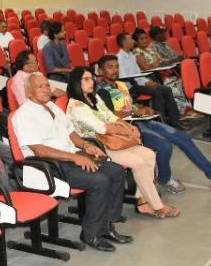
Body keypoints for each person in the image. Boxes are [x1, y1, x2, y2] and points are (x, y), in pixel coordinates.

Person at [13, 73, 130, 252]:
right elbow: (39, 150)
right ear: (28, 92)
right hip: (48, 167)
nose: (46, 89)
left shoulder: (52, 106)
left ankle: (106, 226)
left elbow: (71, 133)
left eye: (46, 85)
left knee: (115, 171)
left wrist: (86, 146)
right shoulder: (24, 115)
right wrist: (76, 157)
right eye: (40, 87)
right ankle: (91, 234)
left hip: (70, 157)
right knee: (99, 181)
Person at [96, 55, 211, 191]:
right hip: (127, 129)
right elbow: (110, 114)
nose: (114, 70)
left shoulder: (120, 85)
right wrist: (134, 113)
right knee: (164, 145)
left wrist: (142, 109)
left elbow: (129, 105)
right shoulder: (101, 90)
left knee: (183, 137)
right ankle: (164, 179)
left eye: (116, 66)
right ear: (101, 71)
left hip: (141, 121)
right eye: (110, 67)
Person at [66, 67, 180, 219]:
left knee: (149, 155)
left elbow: (110, 117)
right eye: (86, 79)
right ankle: (158, 205)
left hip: (112, 141)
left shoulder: (93, 98)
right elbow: (102, 127)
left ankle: (143, 202)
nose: (91, 82)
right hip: (96, 147)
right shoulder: (76, 106)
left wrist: (128, 126)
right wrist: (127, 132)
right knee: (138, 162)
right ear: (75, 83)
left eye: (91, 78)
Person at [116, 32, 188, 130]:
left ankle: (175, 120)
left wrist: (146, 81)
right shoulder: (119, 58)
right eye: (130, 39)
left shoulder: (131, 56)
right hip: (130, 87)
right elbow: (124, 78)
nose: (133, 41)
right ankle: (161, 124)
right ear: (124, 42)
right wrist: (145, 82)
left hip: (139, 83)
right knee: (157, 92)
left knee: (166, 89)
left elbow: (138, 74)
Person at [131, 28, 191, 118]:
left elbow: (161, 62)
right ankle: (178, 112)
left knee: (181, 82)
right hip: (149, 77)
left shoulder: (150, 50)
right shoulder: (136, 51)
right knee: (173, 85)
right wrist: (156, 64)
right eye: (141, 39)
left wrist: (157, 64)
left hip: (160, 74)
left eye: (145, 38)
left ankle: (184, 109)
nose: (145, 40)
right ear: (136, 41)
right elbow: (145, 67)